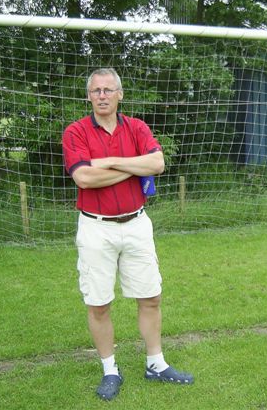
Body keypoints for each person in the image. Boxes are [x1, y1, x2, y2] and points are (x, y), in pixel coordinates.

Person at [62, 68, 193, 401]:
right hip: (96, 227)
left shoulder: (137, 127)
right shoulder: (75, 132)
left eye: (108, 89)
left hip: (137, 224)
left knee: (150, 296)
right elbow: (85, 179)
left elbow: (158, 164)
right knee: (99, 304)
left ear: (120, 94)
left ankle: (156, 364)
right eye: (96, 91)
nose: (102, 95)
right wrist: (133, 166)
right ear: (88, 96)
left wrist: (110, 161)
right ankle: (110, 370)